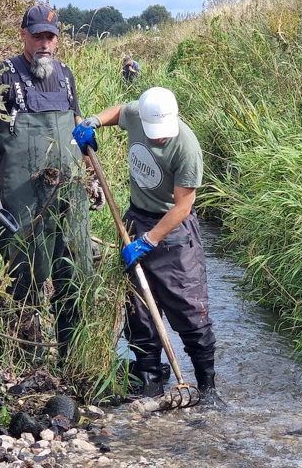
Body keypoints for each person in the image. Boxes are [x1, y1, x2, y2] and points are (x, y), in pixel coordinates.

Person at [75, 87, 218, 401]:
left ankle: (207, 389)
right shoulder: (139, 115)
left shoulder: (186, 147)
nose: (158, 138)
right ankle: (151, 384)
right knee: (138, 310)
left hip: (174, 233)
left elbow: (182, 207)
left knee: (190, 309)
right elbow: (117, 113)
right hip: (136, 219)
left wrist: (149, 241)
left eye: (162, 134)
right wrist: (93, 122)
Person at [0, 4, 101, 362]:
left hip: (68, 192)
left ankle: (73, 355)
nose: (44, 43)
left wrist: (91, 178)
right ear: (23, 36)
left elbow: (79, 129)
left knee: (74, 270)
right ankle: (25, 359)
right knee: (24, 273)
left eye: (50, 36)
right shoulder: (3, 75)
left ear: (57, 39)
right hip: (20, 195)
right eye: (37, 36)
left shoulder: (66, 76)